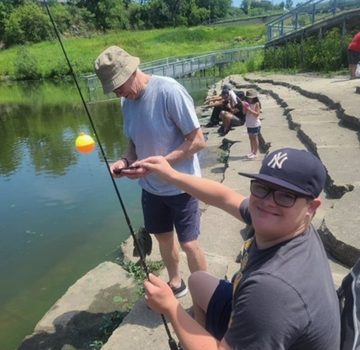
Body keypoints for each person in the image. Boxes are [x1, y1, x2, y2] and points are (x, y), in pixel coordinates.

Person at [139, 147, 340, 350]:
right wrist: (171, 175)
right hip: (258, 315)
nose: (268, 202)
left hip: (267, 312)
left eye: (286, 196)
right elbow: (224, 197)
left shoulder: (273, 289)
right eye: (262, 187)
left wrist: (171, 308)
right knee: (198, 280)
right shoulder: (287, 222)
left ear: (311, 207)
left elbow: (269, 297)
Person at [94, 46, 207, 298]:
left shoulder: (169, 91)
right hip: (151, 189)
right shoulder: (127, 101)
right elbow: (133, 143)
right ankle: (176, 282)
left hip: (182, 186)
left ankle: (206, 294)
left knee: (189, 243)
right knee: (163, 238)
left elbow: (198, 140)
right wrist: (124, 161)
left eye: (118, 86)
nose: (117, 93)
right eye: (113, 89)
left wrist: (162, 164)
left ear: (132, 71)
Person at [241, 89, 261, 159]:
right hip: (249, 123)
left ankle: (256, 152)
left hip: (255, 124)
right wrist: (244, 107)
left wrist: (249, 109)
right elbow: (244, 113)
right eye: (248, 98)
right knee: (250, 138)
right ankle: (252, 151)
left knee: (255, 138)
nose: (249, 100)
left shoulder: (256, 104)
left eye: (251, 98)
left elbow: (257, 114)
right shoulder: (247, 104)